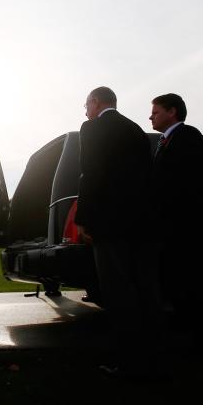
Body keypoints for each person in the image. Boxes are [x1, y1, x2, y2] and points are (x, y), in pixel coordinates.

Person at [75, 86, 163, 379]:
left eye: (86, 104)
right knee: (145, 290)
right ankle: (154, 357)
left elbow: (90, 174)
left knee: (118, 292)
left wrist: (84, 218)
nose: (85, 110)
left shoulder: (92, 128)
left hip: (109, 224)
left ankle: (127, 361)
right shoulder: (136, 130)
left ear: (96, 102)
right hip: (141, 223)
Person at [149, 93, 203, 351]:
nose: (151, 116)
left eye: (156, 111)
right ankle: (192, 336)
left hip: (191, 224)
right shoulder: (164, 142)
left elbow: (184, 181)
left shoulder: (187, 136)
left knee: (200, 280)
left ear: (172, 112)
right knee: (180, 282)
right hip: (174, 225)